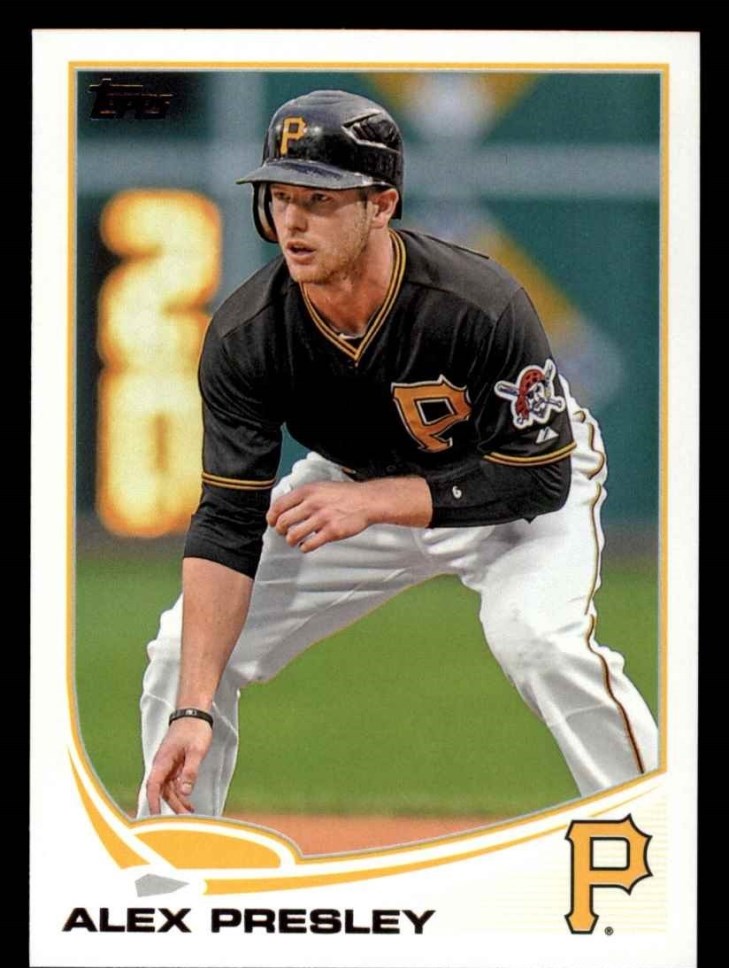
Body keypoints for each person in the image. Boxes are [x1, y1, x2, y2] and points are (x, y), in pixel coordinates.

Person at [137, 89, 658, 819]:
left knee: (538, 640)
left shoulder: (476, 302)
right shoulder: (247, 335)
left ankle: (655, 842)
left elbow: (539, 476)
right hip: (355, 490)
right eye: (279, 196)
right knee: (182, 656)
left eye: (319, 199)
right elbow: (226, 523)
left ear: (381, 204)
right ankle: (174, 860)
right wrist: (194, 707)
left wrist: (377, 501)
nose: (292, 221)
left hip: (505, 484)